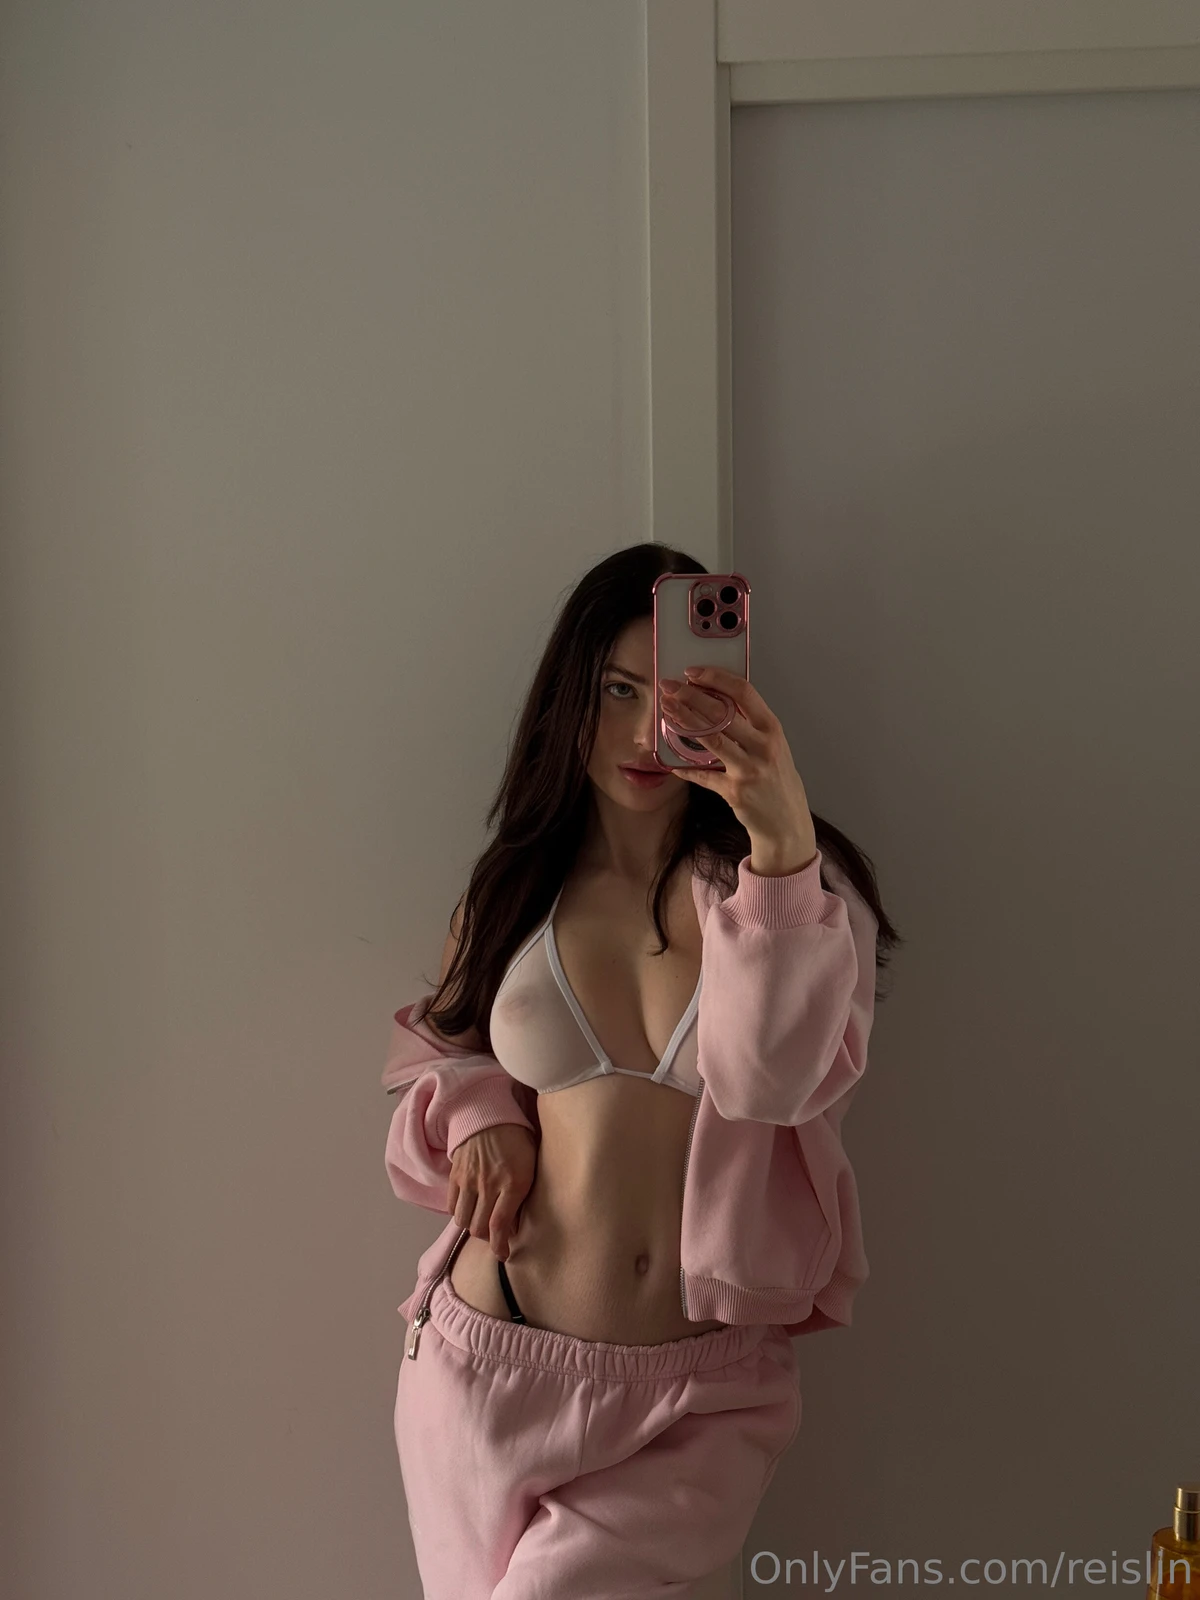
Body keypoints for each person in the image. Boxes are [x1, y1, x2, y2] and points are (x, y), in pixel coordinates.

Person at [382, 543, 901, 1599]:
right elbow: (442, 1041)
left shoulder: (792, 896)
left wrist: (781, 839)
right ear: (569, 699)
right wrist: (481, 1113)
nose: (640, 732)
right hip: (484, 1366)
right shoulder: (514, 888)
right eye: (616, 690)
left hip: (696, 1407)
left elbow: (771, 1082)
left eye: (673, 694)